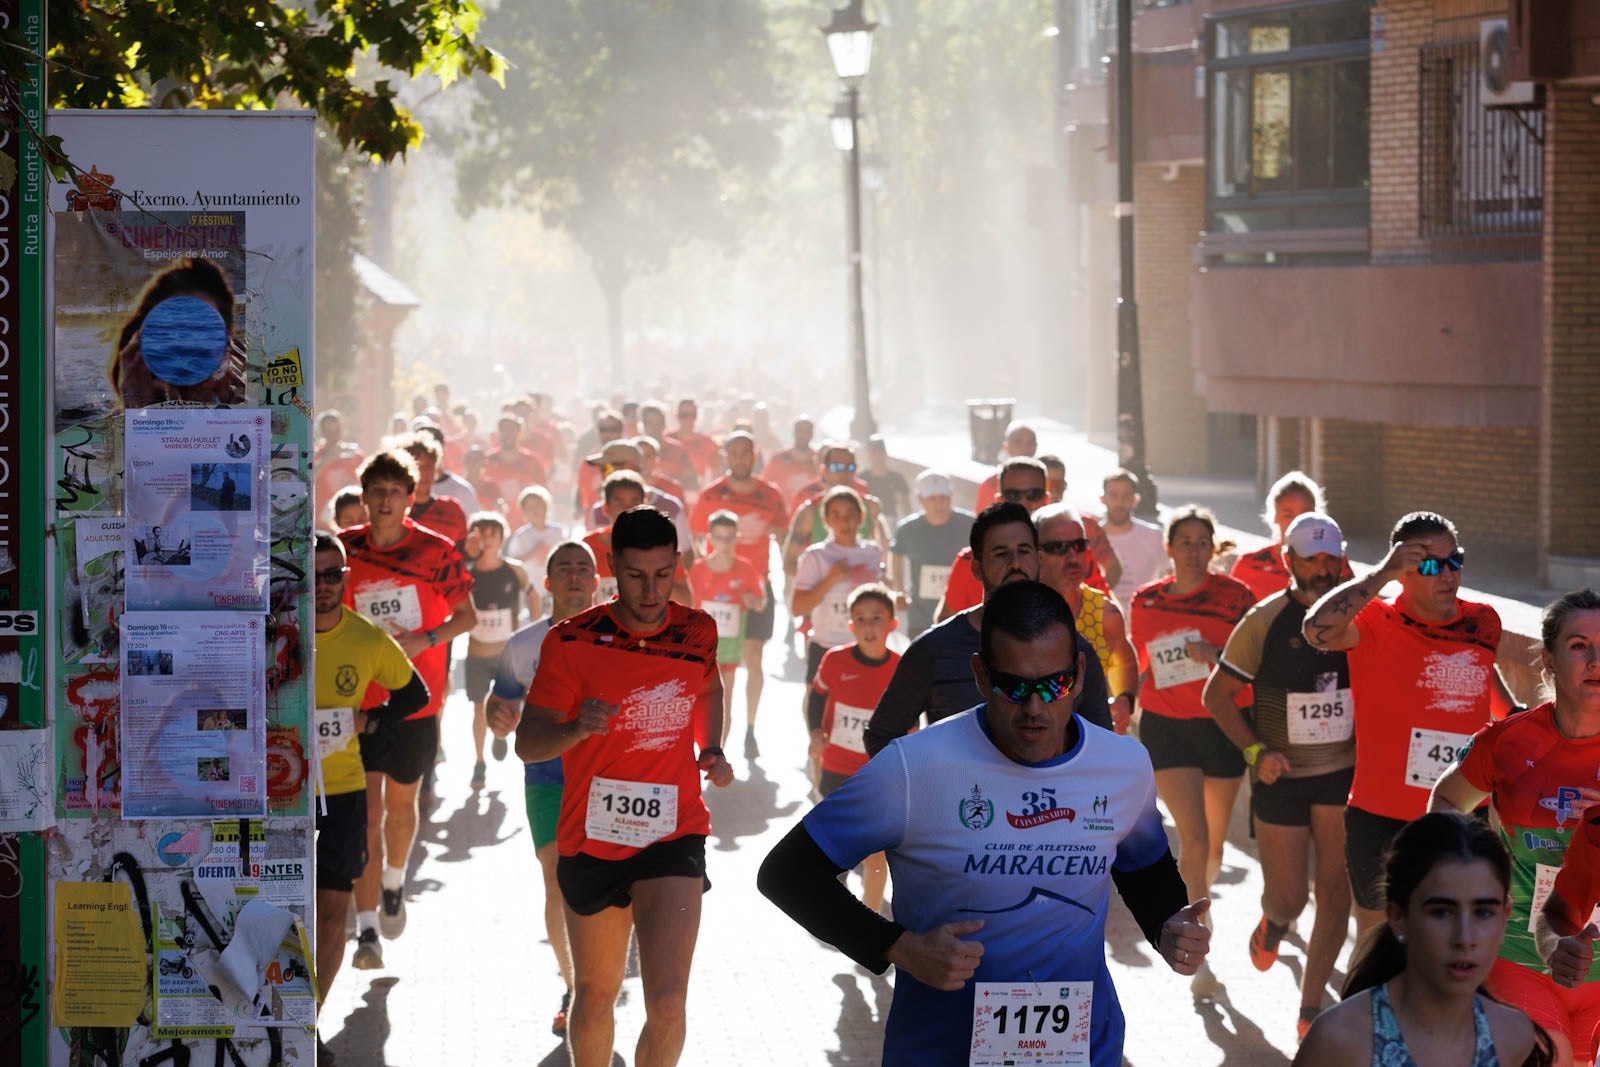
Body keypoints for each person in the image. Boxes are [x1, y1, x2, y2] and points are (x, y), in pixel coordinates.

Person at [760, 580, 1212, 1067]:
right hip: (941, 1051)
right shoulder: (916, 768)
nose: (1035, 707)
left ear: (1079, 675)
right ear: (980, 674)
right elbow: (787, 873)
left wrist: (1167, 924)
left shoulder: (1124, 765)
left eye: (1054, 685)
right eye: (1014, 686)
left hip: (1081, 1049)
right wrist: (896, 945)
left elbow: (1143, 866)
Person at [514, 506, 735, 1067]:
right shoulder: (570, 641)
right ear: (612, 567)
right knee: (594, 999)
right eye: (635, 575)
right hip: (591, 838)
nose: (650, 590)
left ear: (677, 565)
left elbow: (707, 690)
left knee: (667, 999)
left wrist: (711, 747)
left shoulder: (697, 630)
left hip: (673, 833)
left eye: (662, 574)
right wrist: (572, 729)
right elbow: (528, 742)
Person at [1304, 510, 1519, 935]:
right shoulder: (1373, 622)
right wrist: (1381, 573)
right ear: (1403, 571)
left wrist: (1517, 723)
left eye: (1453, 560)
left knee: (1457, 940)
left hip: (1461, 811)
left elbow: (1481, 677)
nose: (1447, 574)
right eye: (1429, 564)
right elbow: (1315, 630)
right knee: (1380, 944)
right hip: (1382, 814)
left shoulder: (1483, 620)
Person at [1431, 589, 1600, 1066]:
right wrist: (1468, 878)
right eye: (1579, 646)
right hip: (1520, 958)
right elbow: (1446, 800)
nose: (1595, 660)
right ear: (1548, 661)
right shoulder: (1509, 741)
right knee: (1554, 1056)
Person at [1202, 512, 1356, 1039]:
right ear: (1287, 560)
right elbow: (1216, 696)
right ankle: (1275, 921)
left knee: (1335, 891)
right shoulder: (1264, 620)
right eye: (1309, 558)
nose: (1319, 568)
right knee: (1290, 897)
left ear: (1341, 562)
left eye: (1328, 559)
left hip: (1342, 775)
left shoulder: (1365, 619)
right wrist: (1254, 751)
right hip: (1282, 776)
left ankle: (1311, 1010)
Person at [340, 450, 476, 965]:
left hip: (416, 701)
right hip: (358, 700)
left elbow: (468, 615)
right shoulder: (347, 552)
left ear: (411, 497)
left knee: (401, 810)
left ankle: (395, 879)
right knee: (366, 812)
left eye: (397, 491)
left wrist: (426, 638)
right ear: (365, 496)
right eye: (378, 491)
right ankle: (368, 928)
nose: (387, 500)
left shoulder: (436, 551)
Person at [1294, 811, 1547, 1066]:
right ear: (1398, 917)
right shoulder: (1338, 1040)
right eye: (1441, 912)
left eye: (1483, 912)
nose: (1465, 937)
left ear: (1505, 917)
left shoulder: (1514, 1038)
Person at [1127, 504, 1256, 995]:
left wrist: (1216, 657)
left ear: (1213, 547)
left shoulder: (1236, 597)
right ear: (1170, 548)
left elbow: (1251, 665)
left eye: (1203, 542)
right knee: (1194, 839)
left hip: (1222, 726)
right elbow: (1140, 665)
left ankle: (1199, 896)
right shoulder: (1146, 601)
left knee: (1214, 847)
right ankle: (1197, 951)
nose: (1195, 551)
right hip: (1167, 727)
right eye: (1186, 543)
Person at [866, 502, 1115, 754]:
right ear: (976, 567)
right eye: (1001, 553)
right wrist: (931, 786)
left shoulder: (1073, 648)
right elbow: (880, 736)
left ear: (1039, 561)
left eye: (1024, 551)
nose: (1015, 563)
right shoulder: (934, 649)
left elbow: (1103, 746)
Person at [310, 533, 426, 1061]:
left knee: (333, 916)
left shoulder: (365, 637)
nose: (323, 586)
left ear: (345, 580)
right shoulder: (272, 632)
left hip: (341, 791)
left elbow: (414, 694)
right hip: (275, 795)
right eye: (311, 577)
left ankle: (306, 1024)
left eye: (333, 575)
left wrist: (370, 719)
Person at [484, 540, 599, 1037]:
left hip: (607, 779)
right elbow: (500, 705)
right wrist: (498, 717)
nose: (574, 576)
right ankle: (575, 989)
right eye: (564, 569)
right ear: (548, 583)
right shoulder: (524, 644)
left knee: (605, 883)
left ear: (597, 582)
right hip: (548, 776)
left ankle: (600, 977)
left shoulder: (620, 640)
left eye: (583, 569)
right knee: (556, 877)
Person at [688, 431, 788, 752]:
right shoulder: (711, 494)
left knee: (754, 657)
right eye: (734, 452)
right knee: (717, 667)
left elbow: (784, 532)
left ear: (754, 456)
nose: (741, 458)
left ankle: (750, 728)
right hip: (717, 589)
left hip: (756, 584)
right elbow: (692, 535)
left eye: (747, 452)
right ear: (725, 456)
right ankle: (714, 737)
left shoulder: (770, 494)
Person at [806, 583, 899, 912]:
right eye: (860, 618)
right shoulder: (835, 660)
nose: (869, 626)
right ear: (850, 625)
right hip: (835, 769)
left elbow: (909, 725)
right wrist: (815, 731)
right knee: (837, 853)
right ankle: (837, 911)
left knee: (877, 857)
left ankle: (871, 920)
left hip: (879, 778)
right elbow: (816, 697)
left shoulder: (902, 669)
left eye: (877, 618)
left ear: (892, 624)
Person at [936, 457, 1120, 623]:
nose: (1024, 503)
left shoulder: (1072, 554)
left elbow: (1106, 619)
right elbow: (944, 629)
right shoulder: (973, 561)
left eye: (1034, 495)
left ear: (1046, 498)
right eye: (1014, 495)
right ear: (999, 499)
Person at [1035, 503, 1138, 734]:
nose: (1072, 556)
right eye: (1058, 547)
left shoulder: (1104, 614)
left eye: (1078, 545)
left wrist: (1124, 701)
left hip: (1089, 748)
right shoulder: (1015, 611)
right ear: (1036, 555)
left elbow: (1124, 661)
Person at [685, 510, 767, 749]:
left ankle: (717, 751)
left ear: (737, 537)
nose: (725, 543)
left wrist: (753, 601)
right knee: (696, 700)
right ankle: (696, 748)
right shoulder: (699, 570)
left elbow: (761, 602)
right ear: (710, 537)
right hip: (701, 648)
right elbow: (688, 607)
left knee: (723, 700)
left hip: (729, 647)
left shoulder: (745, 568)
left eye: (729, 537)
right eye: (719, 537)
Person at [791, 486, 886, 686]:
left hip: (866, 645)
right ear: (826, 520)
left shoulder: (873, 552)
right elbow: (798, 607)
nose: (844, 521)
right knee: (818, 712)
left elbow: (881, 598)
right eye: (836, 515)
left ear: (861, 517)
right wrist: (831, 579)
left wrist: (895, 598)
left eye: (850, 514)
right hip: (826, 645)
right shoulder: (815, 556)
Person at [463, 512, 528, 787]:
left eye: (493, 534)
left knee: (507, 704)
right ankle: (479, 763)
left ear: (503, 537)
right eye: (483, 535)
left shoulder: (514, 569)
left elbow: (534, 593)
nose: (488, 540)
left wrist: (532, 630)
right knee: (478, 708)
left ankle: (500, 736)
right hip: (477, 652)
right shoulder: (467, 573)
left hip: (506, 655)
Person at [1231, 471, 1349, 604]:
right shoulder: (1249, 565)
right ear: (1274, 517)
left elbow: (1357, 610)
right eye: (1288, 515)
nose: (1296, 521)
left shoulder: (1334, 562)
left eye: (1305, 515)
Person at [888, 470, 974, 638]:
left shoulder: (970, 524)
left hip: (962, 613)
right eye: (932, 499)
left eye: (943, 498)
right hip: (920, 615)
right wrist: (898, 590)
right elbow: (896, 554)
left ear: (951, 496)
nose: (939, 504)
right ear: (920, 499)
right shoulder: (907, 529)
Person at [584, 471, 691, 606]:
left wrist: (650, 580)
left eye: (634, 502)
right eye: (619, 502)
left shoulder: (664, 546)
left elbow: (687, 601)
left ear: (645, 505)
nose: (627, 509)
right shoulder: (588, 547)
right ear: (606, 508)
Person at [1100, 468, 1167, 608]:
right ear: (1102, 499)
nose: (1120, 502)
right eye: (1113, 495)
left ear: (1136, 500)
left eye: (1126, 495)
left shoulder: (1155, 536)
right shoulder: (1090, 538)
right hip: (1101, 622)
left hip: (1145, 620)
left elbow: (1171, 577)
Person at [399, 431, 468, 548]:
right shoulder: (392, 510)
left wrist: (473, 553)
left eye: (428, 466)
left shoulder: (452, 509)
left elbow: (463, 552)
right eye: (417, 466)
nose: (423, 472)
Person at [484, 414, 551, 514]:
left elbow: (543, 491)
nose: (507, 434)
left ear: (520, 433)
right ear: (498, 434)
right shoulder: (486, 461)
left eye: (511, 430)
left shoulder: (532, 461)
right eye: (503, 430)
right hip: (494, 523)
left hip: (524, 522)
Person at [971, 420, 1037, 514]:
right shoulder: (991, 484)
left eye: (1030, 442)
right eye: (1018, 442)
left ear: (1036, 446)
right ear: (1007, 447)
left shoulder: (1046, 482)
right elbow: (981, 523)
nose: (1025, 448)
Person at [315, 410, 365, 521]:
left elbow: (367, 483)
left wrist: (354, 484)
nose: (334, 436)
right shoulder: (315, 456)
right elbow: (308, 479)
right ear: (322, 432)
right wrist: (327, 460)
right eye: (329, 431)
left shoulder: (355, 455)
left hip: (350, 518)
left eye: (337, 430)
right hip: (322, 520)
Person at [666, 397, 721, 490]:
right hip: (670, 494)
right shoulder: (667, 440)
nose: (687, 419)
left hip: (698, 493)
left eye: (691, 415)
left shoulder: (708, 443)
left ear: (696, 416)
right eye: (684, 415)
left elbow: (716, 473)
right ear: (677, 416)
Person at [764, 415, 818, 508]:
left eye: (806, 431)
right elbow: (764, 486)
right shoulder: (778, 459)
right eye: (800, 430)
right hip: (783, 513)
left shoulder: (819, 461)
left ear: (812, 434)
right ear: (794, 432)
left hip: (811, 513)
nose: (803, 435)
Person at [861, 435, 910, 525]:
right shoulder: (862, 479)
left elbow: (907, 509)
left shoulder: (897, 478)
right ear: (868, 454)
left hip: (893, 522)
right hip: (869, 522)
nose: (877, 456)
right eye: (873, 452)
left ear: (885, 453)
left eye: (880, 452)